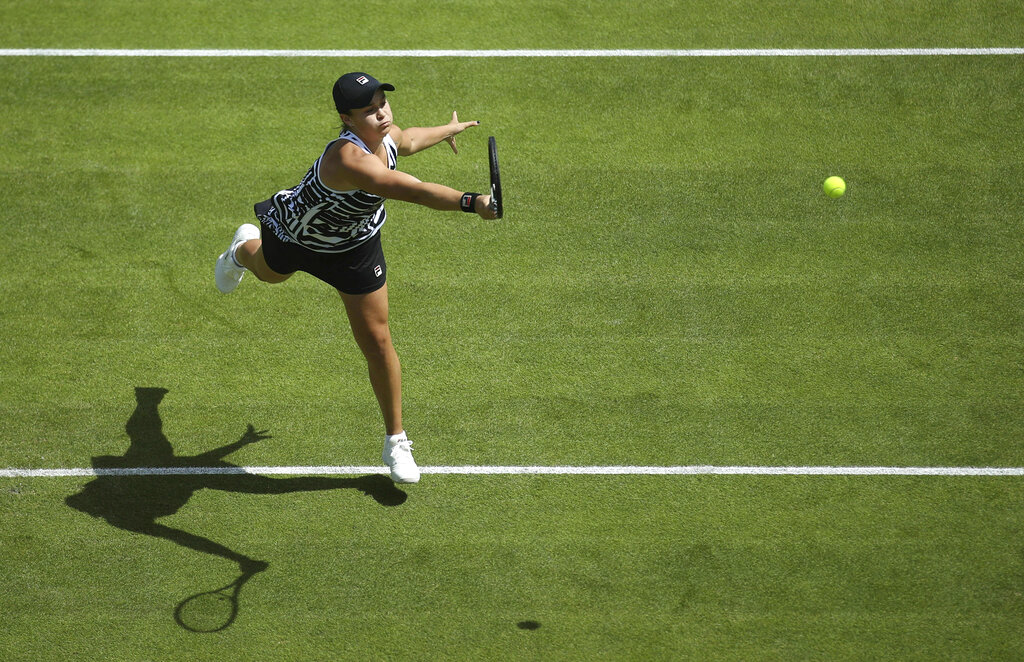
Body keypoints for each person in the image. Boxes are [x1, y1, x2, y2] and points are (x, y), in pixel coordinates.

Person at [214, 72, 498, 484]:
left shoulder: (385, 136)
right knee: (269, 275)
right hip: (299, 236)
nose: (382, 114)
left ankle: (395, 440)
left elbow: (410, 139)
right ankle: (241, 250)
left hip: (353, 247)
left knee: (377, 340)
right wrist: (471, 202)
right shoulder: (347, 159)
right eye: (369, 110)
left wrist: (447, 130)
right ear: (347, 119)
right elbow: (411, 190)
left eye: (383, 102)